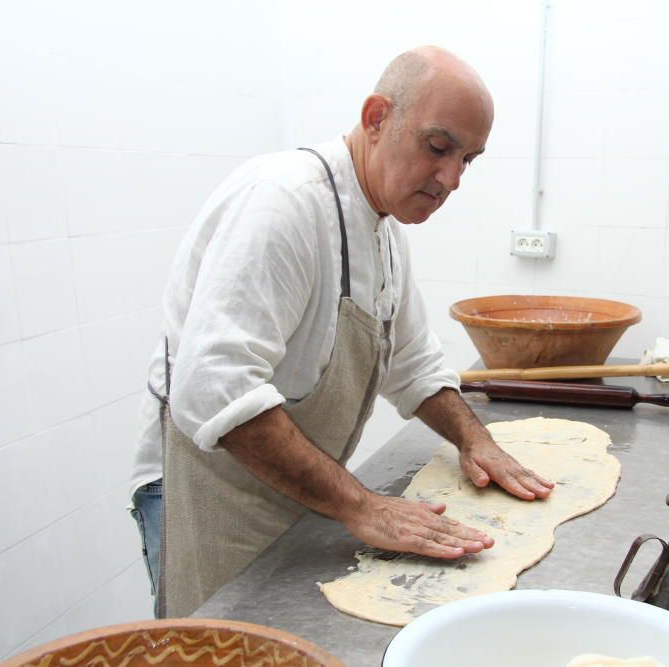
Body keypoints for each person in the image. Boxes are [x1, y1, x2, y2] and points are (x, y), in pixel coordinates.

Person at [128, 45, 555, 618]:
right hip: (207, 494)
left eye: (468, 159)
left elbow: (413, 365)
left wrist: (473, 440)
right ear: (377, 117)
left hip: (286, 491)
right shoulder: (283, 204)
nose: (451, 178)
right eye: (438, 146)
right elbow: (216, 388)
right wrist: (360, 505)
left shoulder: (381, 227)